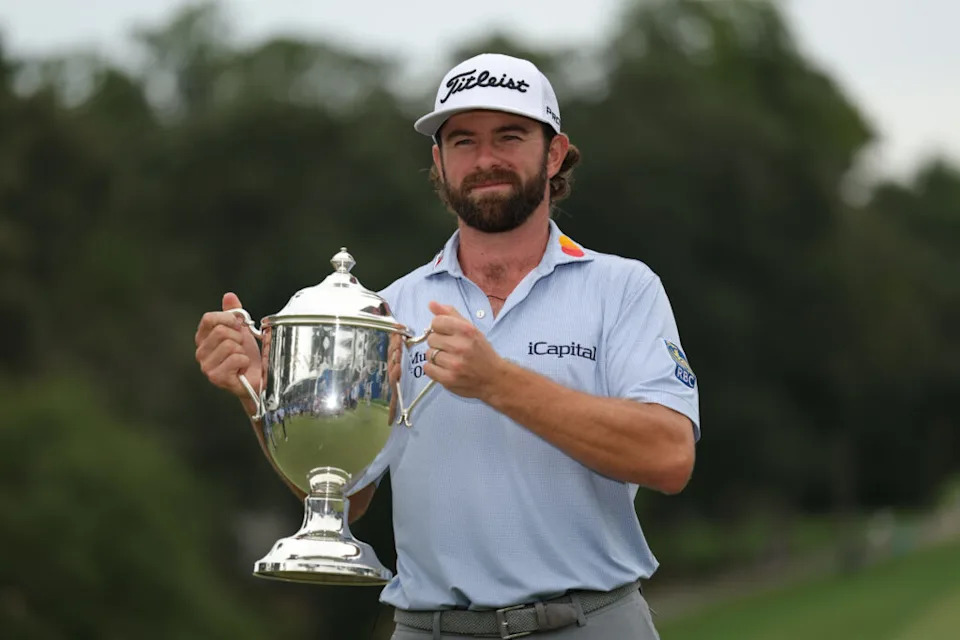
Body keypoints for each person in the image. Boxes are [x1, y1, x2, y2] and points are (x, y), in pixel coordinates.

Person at [195, 53, 700, 640]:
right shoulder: (387, 311)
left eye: (509, 136)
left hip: (593, 622)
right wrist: (265, 397)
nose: (485, 159)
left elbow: (668, 457)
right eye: (463, 142)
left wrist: (498, 381)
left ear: (555, 152)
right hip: (430, 628)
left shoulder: (623, 288)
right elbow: (344, 495)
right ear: (438, 161)